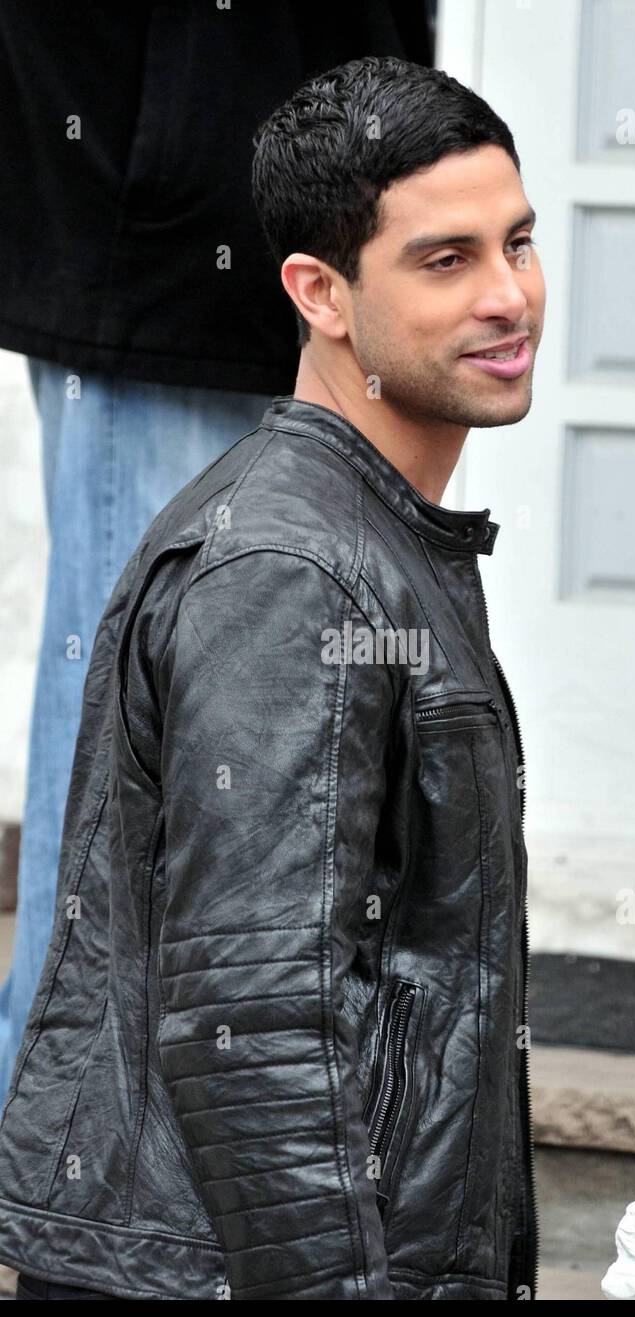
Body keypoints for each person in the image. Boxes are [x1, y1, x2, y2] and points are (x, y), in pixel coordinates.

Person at [0, 54, 544, 1300]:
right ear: (320, 292)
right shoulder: (291, 573)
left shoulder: (372, 535)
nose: (509, 296)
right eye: (444, 260)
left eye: (517, 242)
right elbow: (256, 1030)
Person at [0, 0, 434, 1114]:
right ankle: (74, 1167)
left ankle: (242, 1152)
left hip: (341, 239)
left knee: (307, 713)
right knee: (143, 721)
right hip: (158, 235)